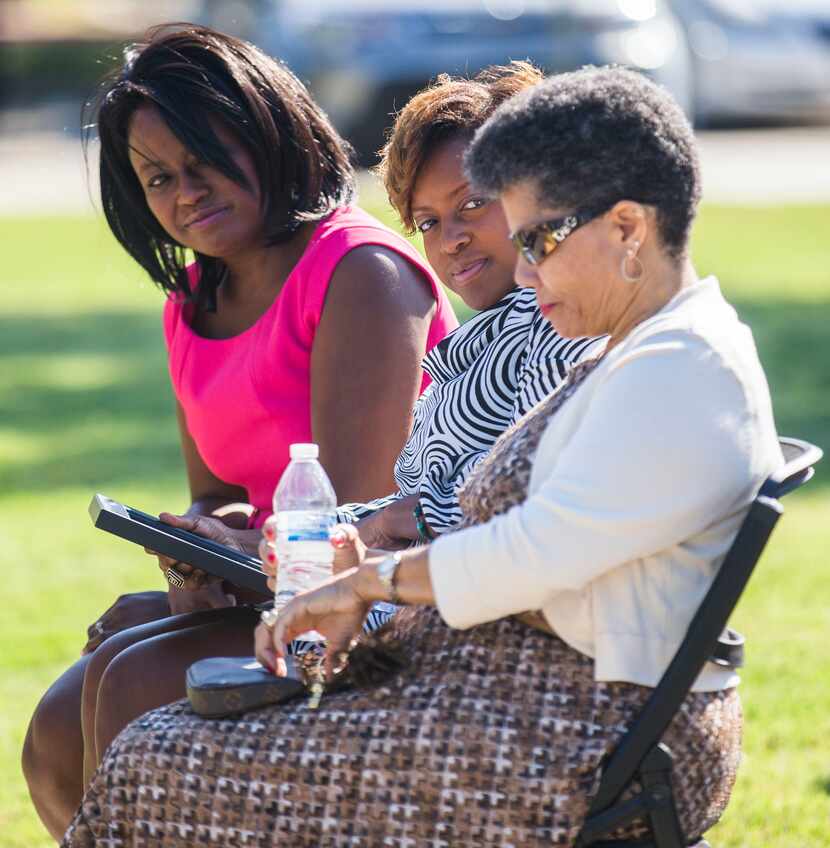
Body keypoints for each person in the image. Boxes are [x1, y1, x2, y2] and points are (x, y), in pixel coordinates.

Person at [64, 65, 785, 846]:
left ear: (627, 229)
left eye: (538, 237)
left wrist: (365, 583)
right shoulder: (639, 350)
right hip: (516, 695)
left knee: (160, 759)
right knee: (159, 745)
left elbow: (540, 551)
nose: (527, 269)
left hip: (569, 728)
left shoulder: (678, 368)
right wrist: (348, 551)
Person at [22, 24, 457, 840]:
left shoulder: (360, 272)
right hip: (274, 591)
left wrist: (215, 570)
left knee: (134, 675)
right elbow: (222, 499)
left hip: (383, 605)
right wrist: (193, 548)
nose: (185, 191)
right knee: (55, 723)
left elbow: (353, 525)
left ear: (266, 129)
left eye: (203, 157)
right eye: (158, 177)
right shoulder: (191, 302)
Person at [339, 60, 601, 547]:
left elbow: (519, 496)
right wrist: (283, 538)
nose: (450, 240)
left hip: (462, 607)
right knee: (169, 609)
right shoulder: (490, 339)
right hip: (416, 591)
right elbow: (411, 507)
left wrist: (380, 531)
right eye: (428, 223)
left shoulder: (561, 318)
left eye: (473, 203)